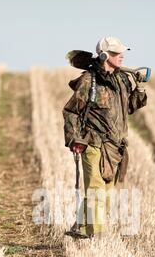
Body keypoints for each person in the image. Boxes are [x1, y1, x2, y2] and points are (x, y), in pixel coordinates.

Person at [62, 36, 148, 239]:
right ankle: (96, 238)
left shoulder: (121, 80)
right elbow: (71, 111)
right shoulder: (88, 81)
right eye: (117, 53)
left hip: (115, 148)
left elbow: (130, 107)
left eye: (122, 52)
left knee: (107, 196)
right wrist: (74, 138)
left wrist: (140, 87)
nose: (122, 56)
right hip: (93, 145)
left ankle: (81, 228)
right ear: (104, 55)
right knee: (96, 192)